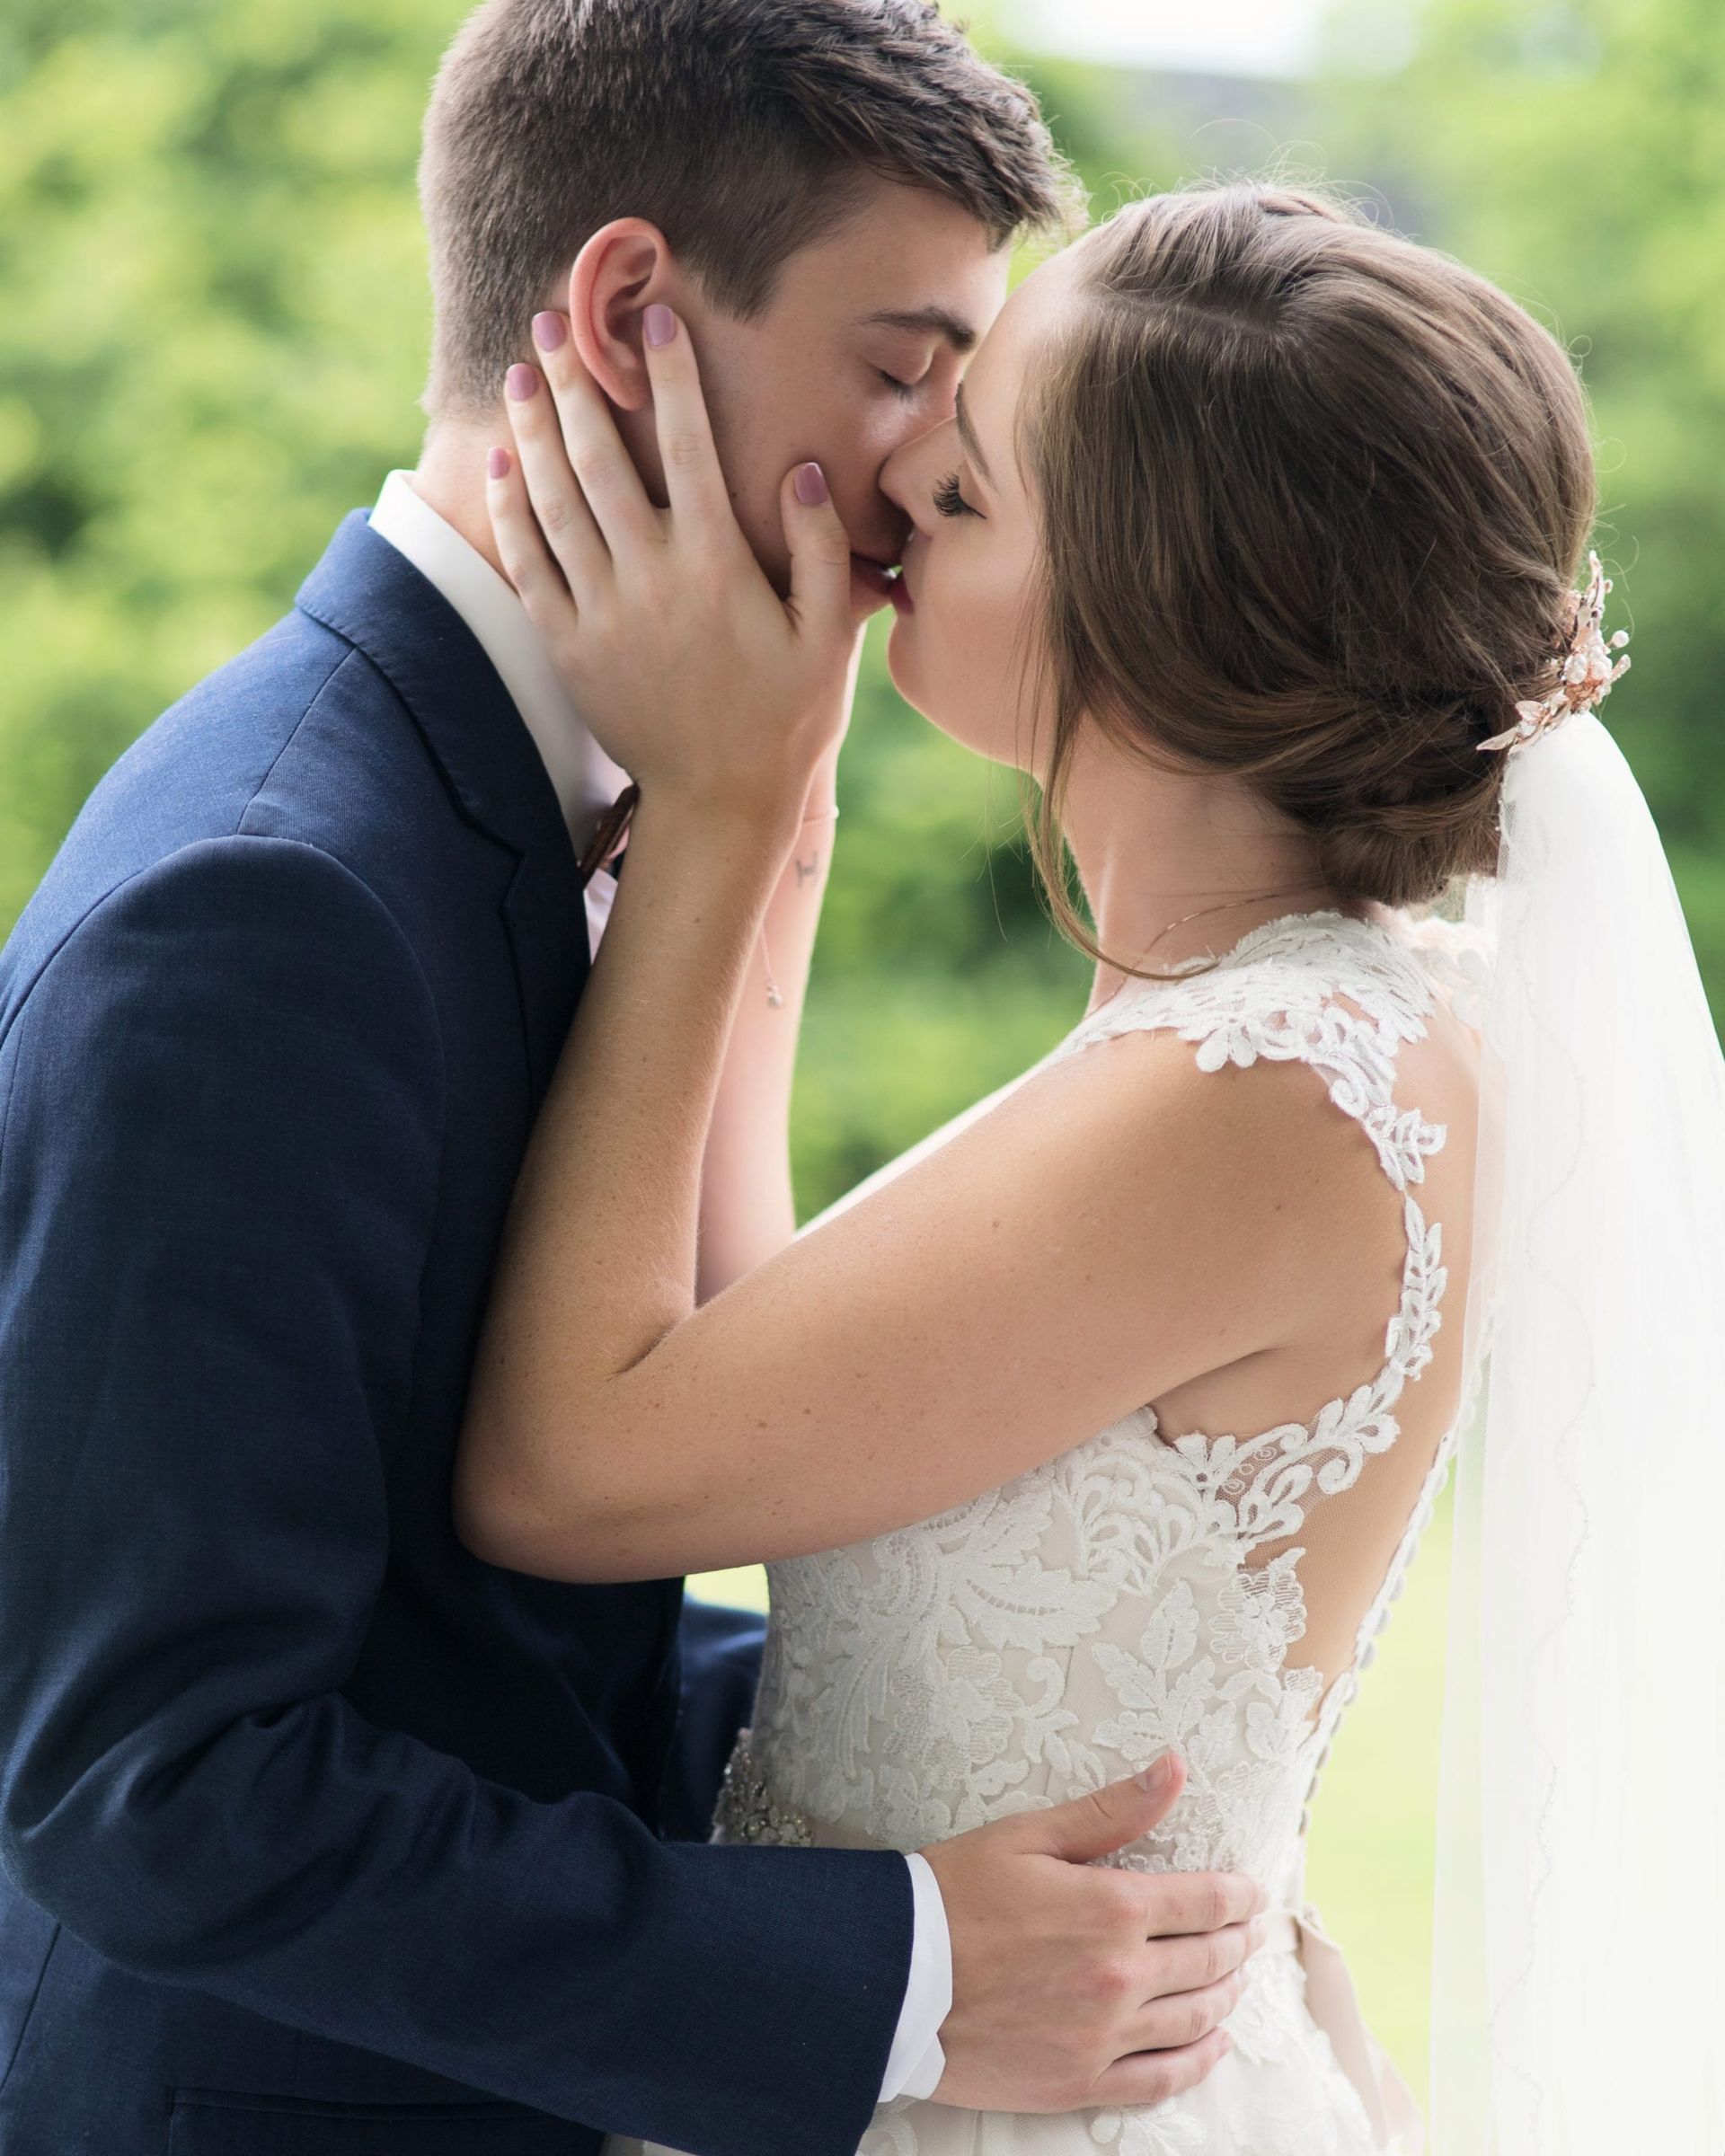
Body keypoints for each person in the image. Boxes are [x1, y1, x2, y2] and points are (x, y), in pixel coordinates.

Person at [0, 9, 1273, 2156]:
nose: (931, 481)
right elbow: (159, 1781)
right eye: (901, 370)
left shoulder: (562, 798)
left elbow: (457, 1646)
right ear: (623, 322)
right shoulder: (266, 906)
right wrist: (906, 1978)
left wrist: (975, 1744)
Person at [452, 174, 1717, 2156]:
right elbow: (770, 1388)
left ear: (1156, 625)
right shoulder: (1303, 1021)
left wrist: (704, 823)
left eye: (963, 494)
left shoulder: (1264, 1094)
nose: (889, 503)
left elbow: (569, 1468)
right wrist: (778, 831)